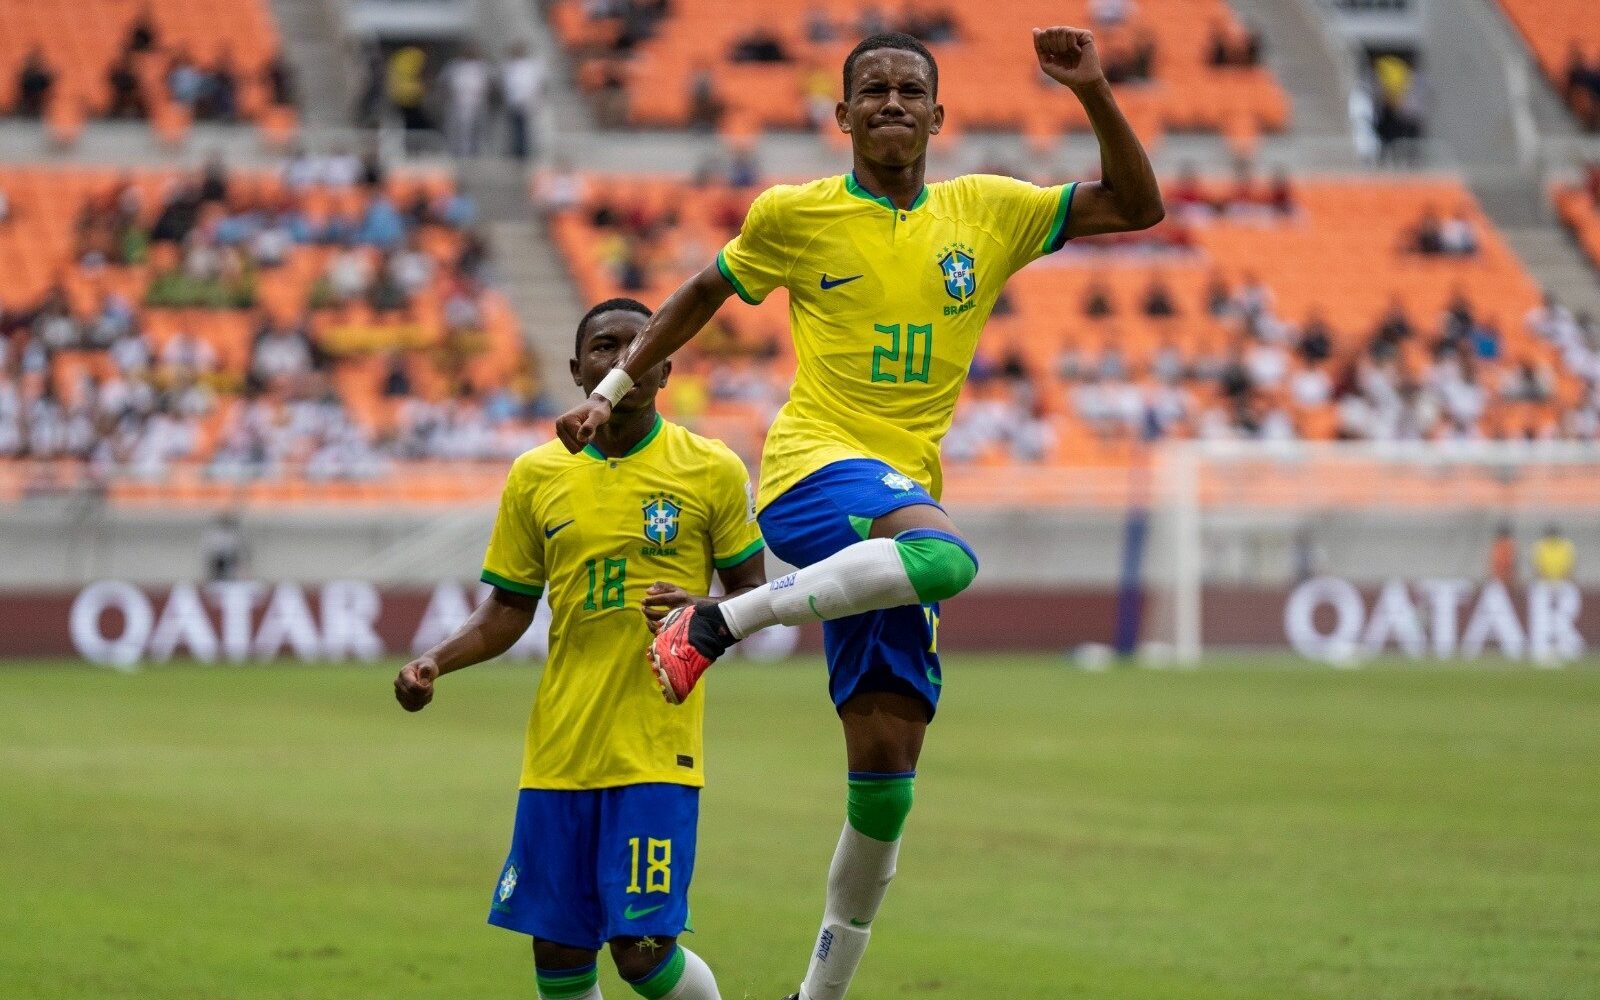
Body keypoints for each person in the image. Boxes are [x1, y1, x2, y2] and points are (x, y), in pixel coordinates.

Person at [555, 28, 1161, 1000]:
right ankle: (714, 622)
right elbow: (701, 292)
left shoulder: (988, 212)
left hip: (895, 509)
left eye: (907, 89)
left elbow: (1139, 205)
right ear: (839, 116)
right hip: (811, 473)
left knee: (886, 778)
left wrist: (1090, 87)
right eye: (869, 89)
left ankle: (816, 995)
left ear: (936, 114)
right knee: (947, 559)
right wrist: (616, 384)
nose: (889, 101)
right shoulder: (795, 216)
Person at [394, 298, 766, 1000]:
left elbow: (757, 597)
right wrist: (435, 661)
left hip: (655, 749)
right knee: (559, 952)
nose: (622, 357)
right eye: (603, 346)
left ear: (666, 364)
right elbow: (509, 607)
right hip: (559, 750)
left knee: (642, 951)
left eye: (638, 344)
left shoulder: (710, 468)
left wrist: (706, 611)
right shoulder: (535, 476)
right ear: (577, 369)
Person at [502, 42, 546, 161]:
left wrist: (534, 100)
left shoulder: (530, 66)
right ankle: (516, 152)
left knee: (526, 129)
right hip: (514, 102)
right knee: (515, 129)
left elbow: (535, 85)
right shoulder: (509, 66)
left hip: (527, 101)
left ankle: (524, 153)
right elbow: (508, 86)